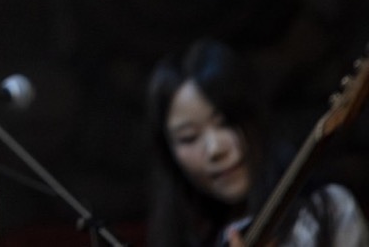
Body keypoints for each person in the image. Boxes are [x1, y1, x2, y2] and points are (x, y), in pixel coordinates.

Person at [145, 38, 368, 247]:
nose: (215, 149)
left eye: (226, 123)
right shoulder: (183, 237)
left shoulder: (327, 210)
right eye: (189, 137)